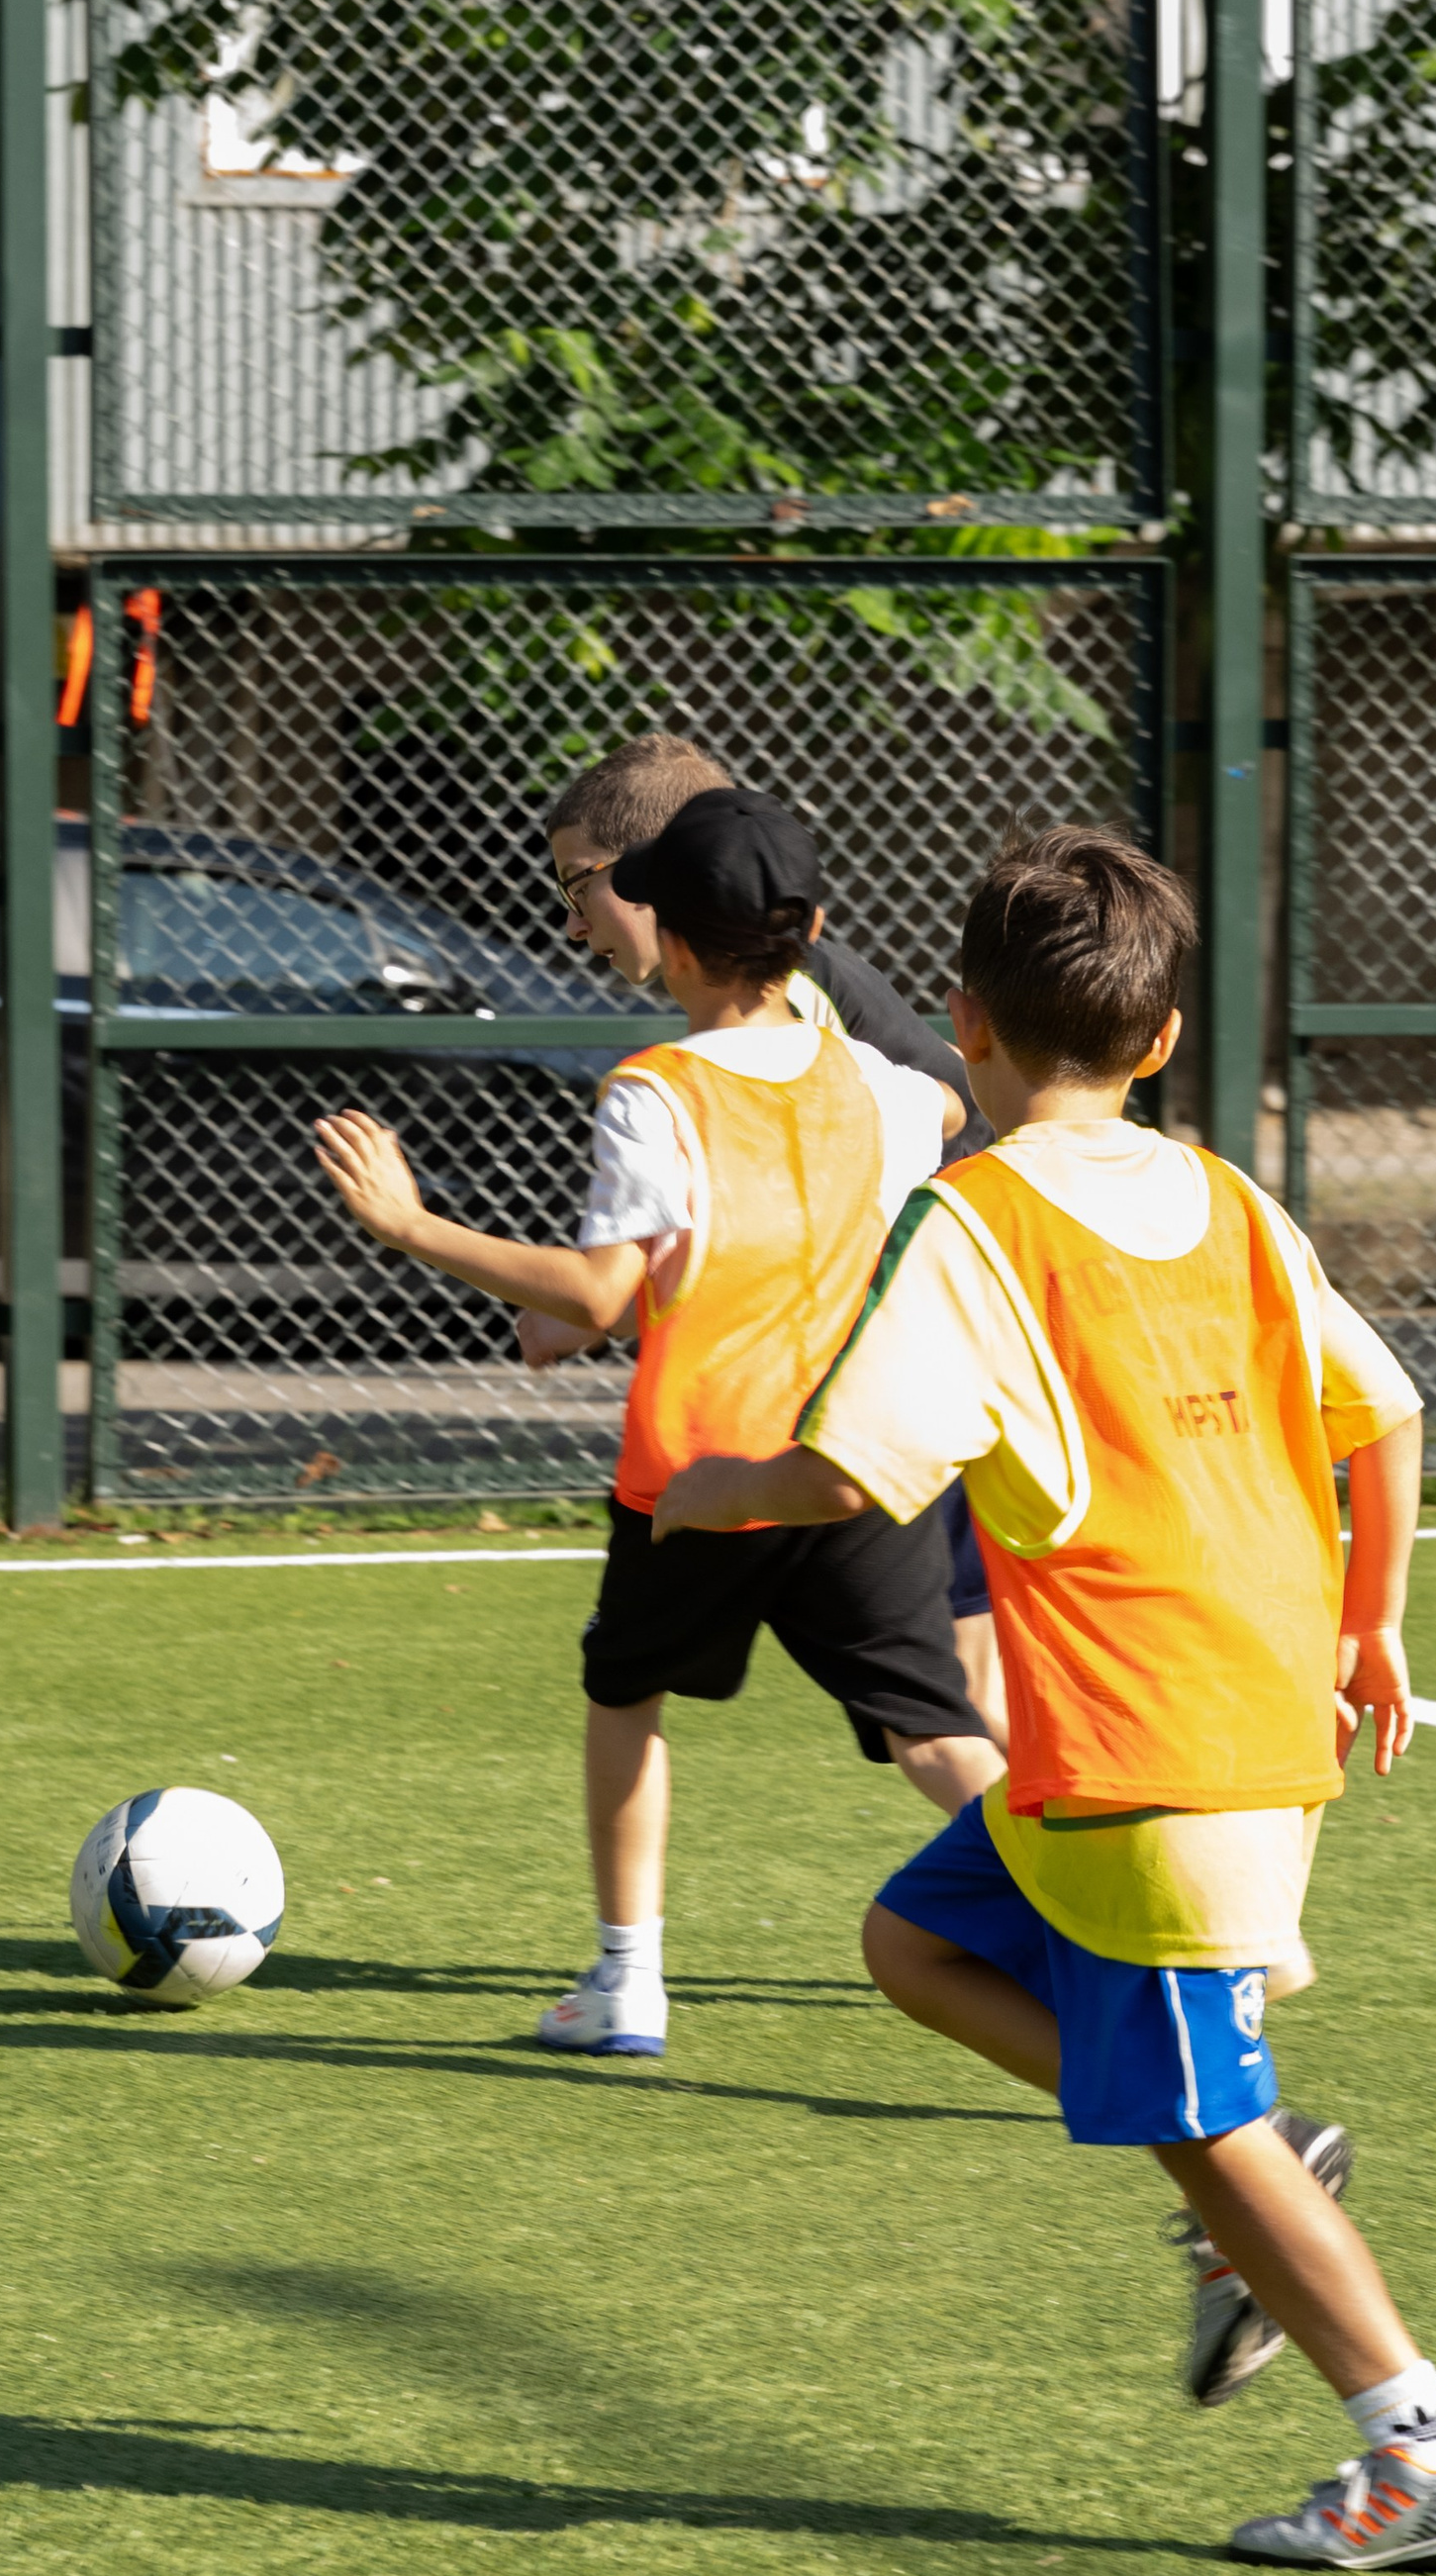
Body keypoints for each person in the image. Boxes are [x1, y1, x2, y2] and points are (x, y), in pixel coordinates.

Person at [653, 823, 1436, 2570]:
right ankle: (1250, 2176)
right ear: (1163, 1041)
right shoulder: (1233, 1200)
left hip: (1156, 1763)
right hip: (1188, 1735)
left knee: (1205, 2125)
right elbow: (1397, 1407)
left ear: (959, 1024)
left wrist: (715, 1486)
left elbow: (849, 1473)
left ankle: (1424, 2451)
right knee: (917, 1943)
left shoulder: (974, 1222)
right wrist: (1376, 1625)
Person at [315, 785, 1005, 2061]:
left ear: (672, 940)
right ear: (806, 933)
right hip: (854, 1459)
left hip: (700, 1471)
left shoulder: (653, 1090)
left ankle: (627, 1979)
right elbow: (951, 1118)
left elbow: (605, 1294)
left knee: (626, 1695)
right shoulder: (878, 1080)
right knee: (935, 1730)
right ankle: (1077, 1921)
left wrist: (409, 1223)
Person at [538, 732, 1009, 1756]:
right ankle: (1044, 1891)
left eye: (581, 885)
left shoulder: (787, 1006)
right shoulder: (761, 1002)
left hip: (916, 1357)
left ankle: (1072, 1892)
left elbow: (939, 1123)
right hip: (900, 1363)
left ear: (665, 871)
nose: (573, 925)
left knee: (961, 1705)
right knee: (950, 1715)